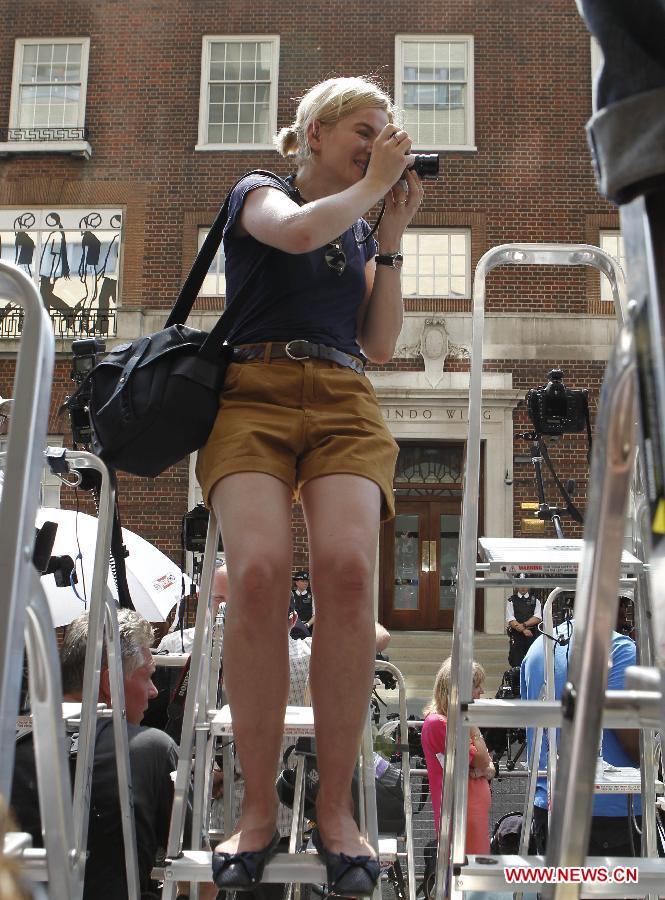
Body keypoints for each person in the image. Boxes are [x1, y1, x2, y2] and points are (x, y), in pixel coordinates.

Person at [195, 75, 423, 895]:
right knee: (255, 575)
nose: (378, 142)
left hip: (340, 395)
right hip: (250, 392)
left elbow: (382, 342)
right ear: (315, 133)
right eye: (365, 128)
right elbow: (290, 235)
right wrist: (372, 186)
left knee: (349, 573)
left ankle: (334, 810)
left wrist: (388, 234)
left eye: (384, 132)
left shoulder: (359, 227)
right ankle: (256, 810)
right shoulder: (259, 191)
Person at [10, 609, 217, 900]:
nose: (155, 691)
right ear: (110, 684)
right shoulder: (152, 749)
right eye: (147, 677)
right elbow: (203, 879)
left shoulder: (12, 749)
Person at [520, 605, 641, 856]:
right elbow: (632, 736)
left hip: (548, 803)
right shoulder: (620, 649)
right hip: (609, 810)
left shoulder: (537, 649)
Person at [421, 658, 494, 854]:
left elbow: (487, 764)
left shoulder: (451, 721)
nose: (481, 691)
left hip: (469, 811)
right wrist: (473, 723)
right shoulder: (440, 723)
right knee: (467, 876)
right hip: (461, 813)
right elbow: (482, 760)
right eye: (476, 686)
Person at [505, 582, 543, 667]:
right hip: (516, 635)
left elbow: (537, 617)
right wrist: (524, 630)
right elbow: (510, 619)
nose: (523, 587)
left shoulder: (535, 600)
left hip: (532, 635)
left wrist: (524, 625)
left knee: (532, 661)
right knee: (516, 661)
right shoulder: (511, 600)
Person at [289, 570, 314, 637]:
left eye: (306, 581)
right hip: (293, 628)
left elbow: (316, 614)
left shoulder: (312, 596)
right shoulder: (290, 595)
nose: (305, 583)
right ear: (296, 582)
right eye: (303, 581)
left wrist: (307, 624)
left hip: (309, 628)